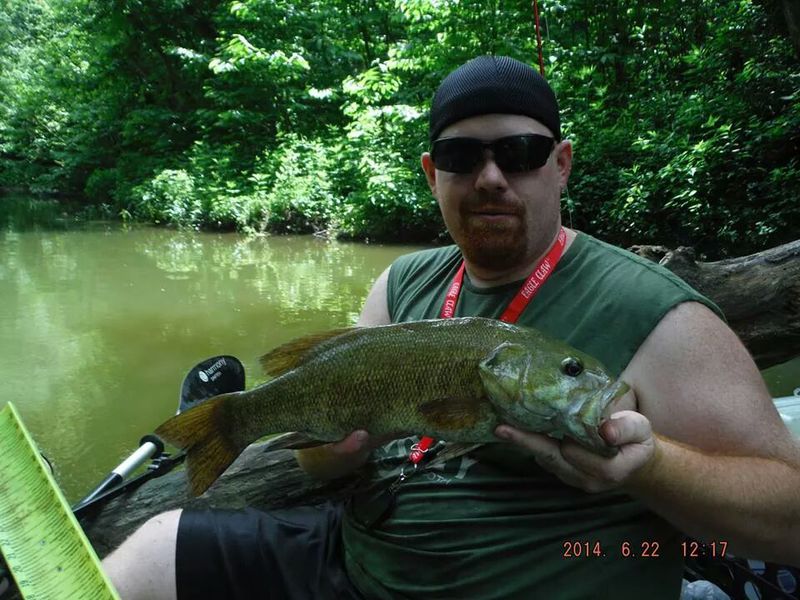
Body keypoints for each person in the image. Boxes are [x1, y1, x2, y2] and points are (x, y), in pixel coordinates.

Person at [103, 55, 800, 599]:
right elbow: (321, 461)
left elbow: (791, 518)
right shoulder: (402, 282)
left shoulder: (655, 312)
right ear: (434, 175)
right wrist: (336, 450)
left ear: (561, 166)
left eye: (521, 153)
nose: (491, 177)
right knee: (149, 555)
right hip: (354, 565)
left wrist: (652, 467)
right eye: (464, 159)